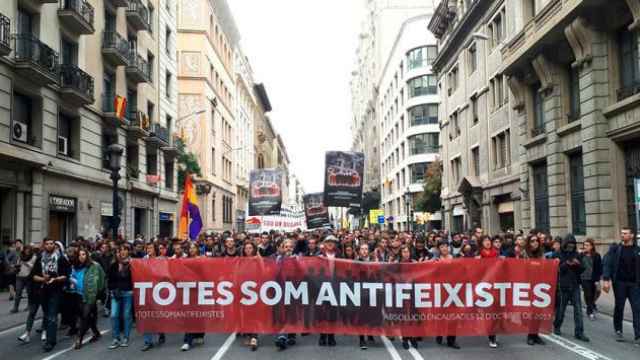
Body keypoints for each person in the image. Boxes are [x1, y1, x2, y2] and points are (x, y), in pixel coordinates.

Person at [31, 238, 71, 352]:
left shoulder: (61, 258)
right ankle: (49, 337)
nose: (49, 246)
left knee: (52, 316)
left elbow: (67, 274)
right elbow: (33, 276)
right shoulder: (40, 259)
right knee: (47, 315)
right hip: (43, 291)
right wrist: (43, 279)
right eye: (47, 244)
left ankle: (50, 341)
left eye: (51, 244)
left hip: (56, 291)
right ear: (44, 245)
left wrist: (57, 279)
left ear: (55, 245)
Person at [602, 227, 640, 344]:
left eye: (625, 233)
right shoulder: (615, 249)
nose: (623, 235)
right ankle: (618, 330)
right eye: (622, 233)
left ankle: (638, 334)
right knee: (619, 307)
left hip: (634, 284)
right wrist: (606, 279)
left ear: (632, 236)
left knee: (637, 308)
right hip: (620, 283)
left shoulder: (637, 250)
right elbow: (607, 263)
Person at [553, 234, 589, 342]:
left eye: (572, 245)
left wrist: (578, 264)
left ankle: (579, 332)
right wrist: (567, 263)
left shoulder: (576, 254)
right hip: (563, 285)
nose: (571, 247)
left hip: (575, 284)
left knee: (578, 309)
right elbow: (557, 269)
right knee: (561, 309)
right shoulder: (558, 254)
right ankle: (557, 326)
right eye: (569, 245)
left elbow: (582, 269)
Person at [72, 248, 105, 349]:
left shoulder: (95, 266)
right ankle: (96, 332)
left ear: (87, 255)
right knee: (89, 316)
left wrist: (98, 292)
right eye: (79, 255)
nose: (81, 257)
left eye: (83, 254)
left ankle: (79, 338)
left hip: (90, 295)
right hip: (78, 294)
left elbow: (102, 278)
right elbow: (72, 277)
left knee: (85, 316)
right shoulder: (75, 266)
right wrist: (72, 281)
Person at [434, 240, 460, 349]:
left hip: (453, 290)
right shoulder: (435, 260)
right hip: (440, 290)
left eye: (446, 246)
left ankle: (451, 340)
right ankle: (439, 333)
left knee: (453, 315)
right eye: (442, 246)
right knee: (441, 314)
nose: (444, 248)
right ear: (439, 249)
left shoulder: (454, 259)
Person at [107, 243, 134, 349]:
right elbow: (109, 279)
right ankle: (116, 338)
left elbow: (134, 278)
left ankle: (126, 338)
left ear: (128, 251)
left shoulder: (132, 264)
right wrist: (112, 289)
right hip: (116, 293)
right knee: (114, 315)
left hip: (128, 292)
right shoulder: (113, 265)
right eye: (120, 250)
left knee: (127, 316)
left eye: (124, 250)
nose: (122, 252)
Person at [522, 234, 546, 346]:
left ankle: (536, 335)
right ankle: (530, 335)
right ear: (528, 243)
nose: (535, 242)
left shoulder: (542, 254)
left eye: (536, 240)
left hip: (540, 285)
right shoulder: (525, 254)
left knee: (539, 312)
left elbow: (546, 267)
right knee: (532, 312)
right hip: (528, 285)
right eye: (532, 241)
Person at [182, 243, 205, 351]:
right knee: (189, 315)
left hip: (199, 289)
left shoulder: (201, 259)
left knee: (199, 314)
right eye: (190, 248)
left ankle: (200, 334)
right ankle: (187, 340)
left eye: (193, 248)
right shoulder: (184, 260)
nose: (192, 250)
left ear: (197, 249)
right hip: (188, 290)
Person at [477, 235, 499, 348]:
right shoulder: (479, 255)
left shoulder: (496, 254)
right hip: (483, 286)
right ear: (481, 243)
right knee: (488, 312)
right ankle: (491, 335)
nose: (487, 242)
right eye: (485, 240)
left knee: (495, 311)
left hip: (495, 285)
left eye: (489, 240)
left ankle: (492, 335)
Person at [242, 241, 260, 351]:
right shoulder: (241, 261)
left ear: (253, 249)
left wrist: (259, 259)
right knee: (246, 314)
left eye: (250, 248)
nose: (248, 250)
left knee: (254, 314)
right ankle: (248, 335)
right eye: (246, 248)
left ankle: (254, 337)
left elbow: (263, 271)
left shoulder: (257, 260)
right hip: (244, 291)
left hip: (255, 290)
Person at [581, 238, 602, 321]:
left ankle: (591, 305)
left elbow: (599, 268)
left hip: (593, 278)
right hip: (584, 278)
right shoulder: (581, 255)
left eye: (587, 245)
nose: (585, 247)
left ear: (592, 246)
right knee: (588, 294)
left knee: (594, 294)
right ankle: (590, 312)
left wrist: (597, 280)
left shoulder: (596, 255)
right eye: (584, 245)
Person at [13, 244, 36, 313]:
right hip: (19, 276)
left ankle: (29, 306)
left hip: (28, 277)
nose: (27, 251)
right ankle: (15, 307)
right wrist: (16, 266)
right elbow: (17, 264)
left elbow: (33, 267)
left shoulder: (33, 257)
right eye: (26, 249)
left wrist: (26, 263)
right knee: (18, 292)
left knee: (29, 292)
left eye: (28, 250)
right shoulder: (20, 256)